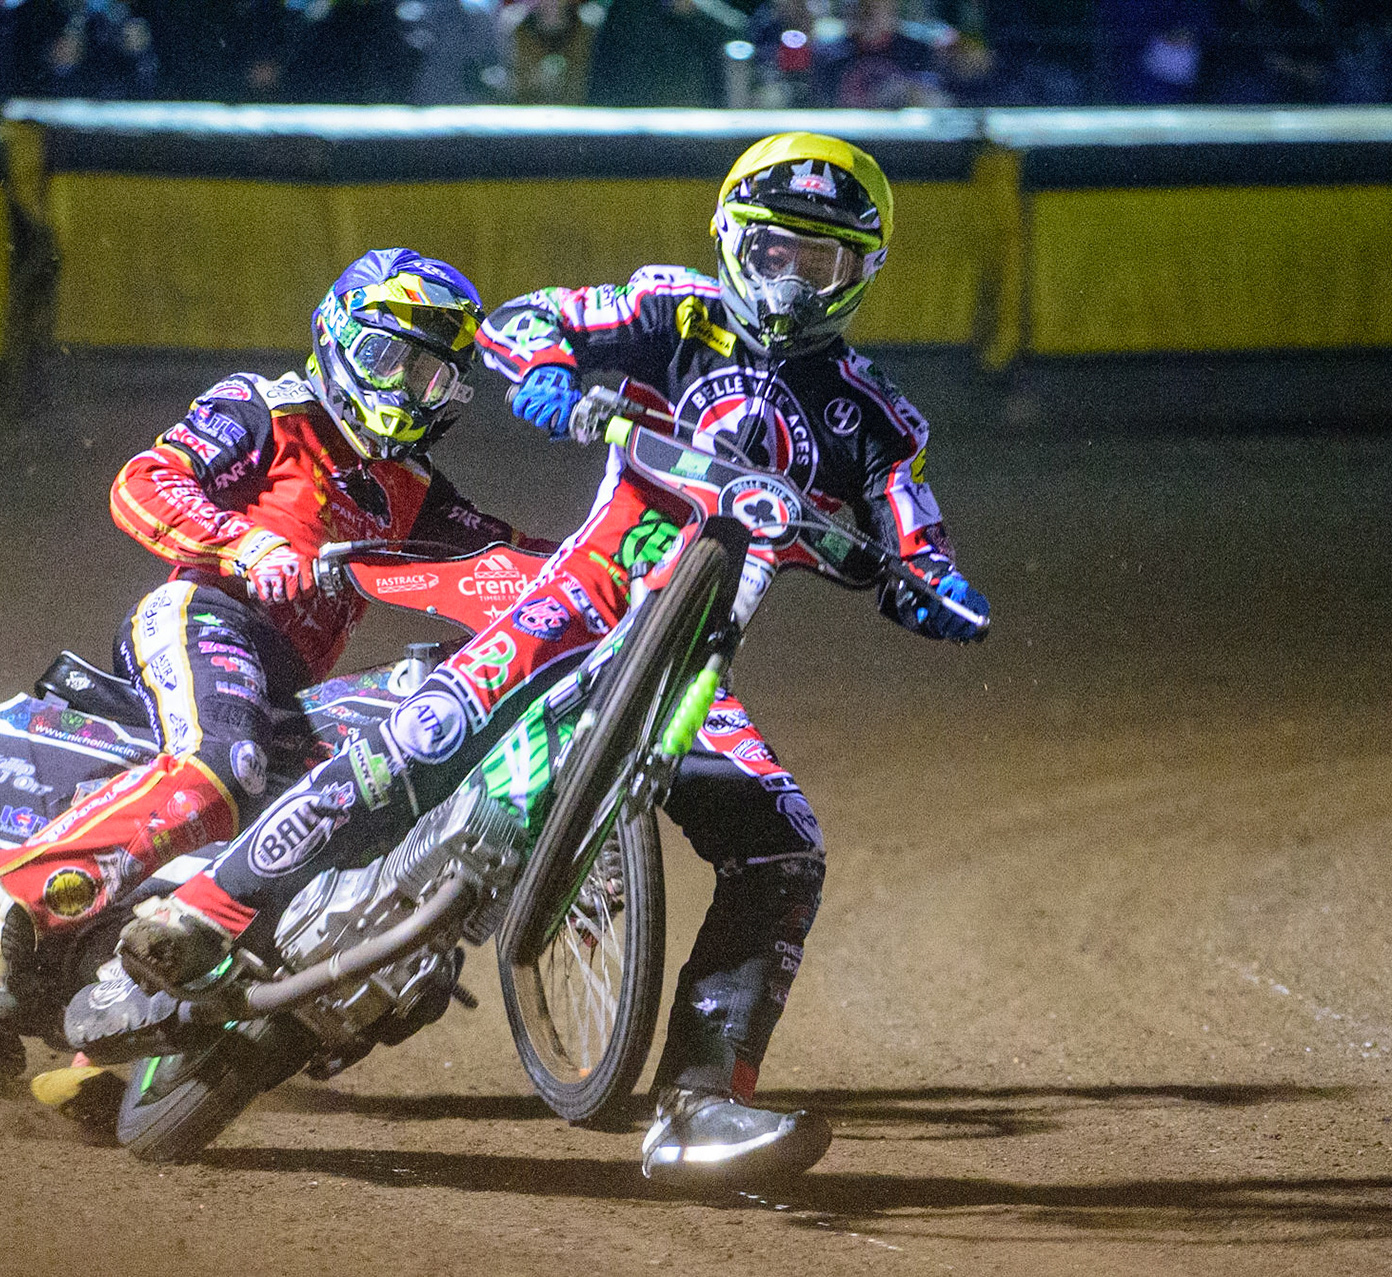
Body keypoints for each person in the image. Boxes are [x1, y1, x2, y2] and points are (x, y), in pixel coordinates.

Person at [78, 132, 990, 1182]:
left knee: (786, 842)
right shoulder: (674, 309)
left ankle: (697, 1105)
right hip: (581, 595)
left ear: (860, 272)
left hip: (692, 660)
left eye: (820, 261)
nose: (791, 277)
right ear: (735, 238)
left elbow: (914, 531)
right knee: (425, 735)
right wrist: (553, 377)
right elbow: (526, 322)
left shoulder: (873, 415)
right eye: (775, 249)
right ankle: (210, 906)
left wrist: (939, 591)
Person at [0, 248, 550, 1026]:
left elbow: (512, 560)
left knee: (348, 813)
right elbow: (145, 481)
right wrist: (247, 546)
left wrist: (634, 558)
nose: (400, 386)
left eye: (425, 376)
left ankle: (152, 1022)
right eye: (387, 357)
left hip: (287, 686)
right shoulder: (266, 407)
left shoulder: (417, 491)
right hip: (203, 613)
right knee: (221, 766)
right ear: (337, 337)